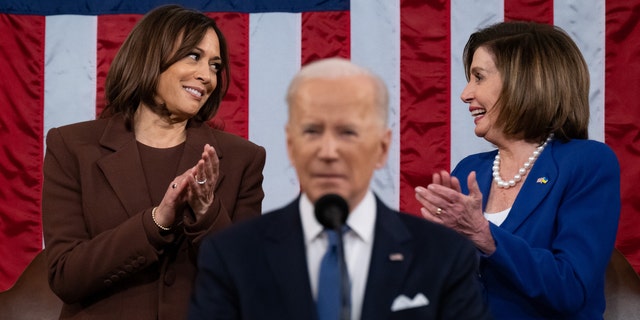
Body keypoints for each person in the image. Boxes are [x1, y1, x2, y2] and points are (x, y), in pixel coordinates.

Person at [188, 57, 491, 320]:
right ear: (291, 146)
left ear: (382, 148)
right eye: (312, 131)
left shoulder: (442, 256)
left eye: (348, 132)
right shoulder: (232, 256)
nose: (328, 151)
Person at [42, 5, 265, 319]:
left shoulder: (243, 158)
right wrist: (155, 222)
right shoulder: (73, 146)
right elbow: (66, 276)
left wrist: (205, 213)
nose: (207, 76)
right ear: (150, 56)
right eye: (194, 56)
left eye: (215, 65)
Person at [415, 21, 621, 319]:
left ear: (522, 82)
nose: (465, 94)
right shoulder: (470, 170)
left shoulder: (587, 163)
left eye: (478, 78)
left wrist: (485, 236)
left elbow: (571, 288)